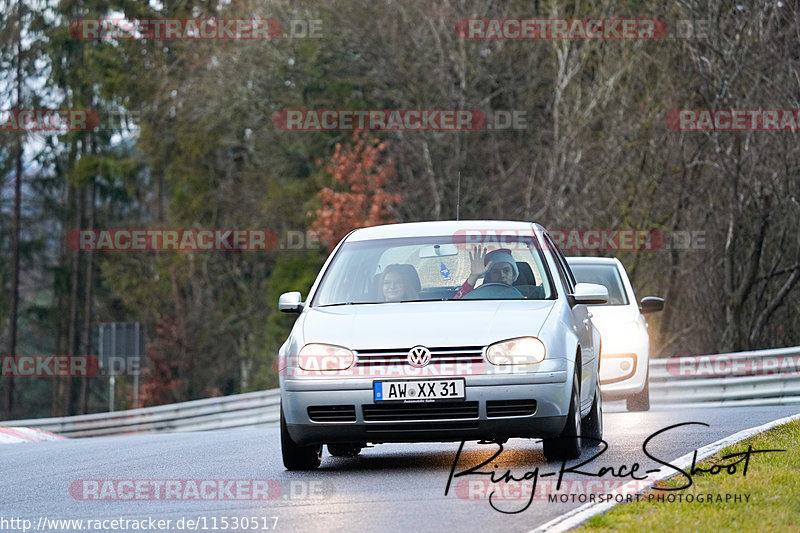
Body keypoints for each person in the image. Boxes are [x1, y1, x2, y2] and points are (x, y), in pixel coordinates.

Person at [453, 246, 519, 299]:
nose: (502, 275)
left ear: (514, 274)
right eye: (495, 271)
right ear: (489, 276)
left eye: (506, 271)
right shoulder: (478, 297)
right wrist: (473, 276)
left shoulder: (526, 297)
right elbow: (455, 306)